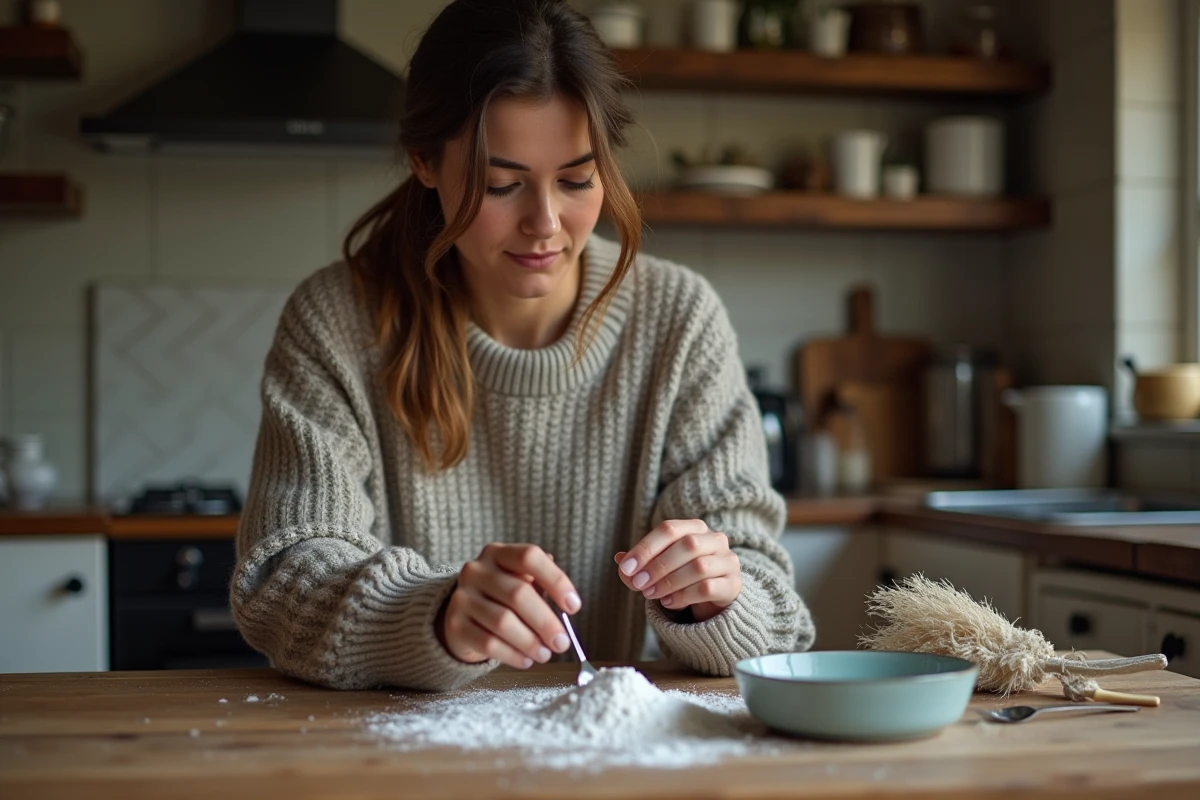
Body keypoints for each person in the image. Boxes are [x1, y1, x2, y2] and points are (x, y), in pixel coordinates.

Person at [231, 0, 814, 692]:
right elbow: (283, 581)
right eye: (501, 184)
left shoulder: (679, 320)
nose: (544, 224)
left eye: (576, 179)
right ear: (424, 162)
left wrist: (719, 599)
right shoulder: (337, 320)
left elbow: (776, 616)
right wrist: (434, 614)